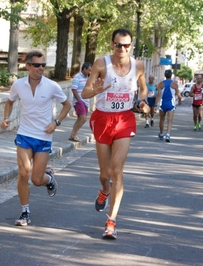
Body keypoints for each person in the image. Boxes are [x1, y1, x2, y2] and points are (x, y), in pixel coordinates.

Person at [81, 28, 150, 239]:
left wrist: (143, 101)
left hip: (124, 119)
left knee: (117, 170)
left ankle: (111, 221)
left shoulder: (138, 66)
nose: (122, 48)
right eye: (118, 44)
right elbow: (85, 92)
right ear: (112, 44)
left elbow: (143, 88)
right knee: (105, 174)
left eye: (126, 45)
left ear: (131, 46)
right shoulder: (102, 64)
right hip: (102, 118)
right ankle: (104, 190)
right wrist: (97, 91)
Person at [0, 50, 72, 225]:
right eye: (37, 65)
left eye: (43, 65)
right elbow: (9, 101)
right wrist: (6, 118)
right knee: (24, 172)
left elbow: (67, 105)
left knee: (36, 179)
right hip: (24, 134)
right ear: (28, 66)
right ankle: (25, 212)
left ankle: (49, 179)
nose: (41, 68)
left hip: (43, 136)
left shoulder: (51, 86)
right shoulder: (18, 84)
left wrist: (56, 122)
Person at [155, 69, 182, 142]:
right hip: (171, 104)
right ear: (171, 75)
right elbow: (178, 94)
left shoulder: (160, 84)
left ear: (165, 75)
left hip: (162, 103)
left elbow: (158, 95)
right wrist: (179, 100)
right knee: (170, 120)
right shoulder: (174, 84)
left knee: (162, 119)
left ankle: (161, 133)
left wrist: (155, 104)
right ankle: (168, 134)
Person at [69, 62, 92, 142]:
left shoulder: (88, 78)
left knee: (80, 119)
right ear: (84, 69)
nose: (90, 72)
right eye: (89, 70)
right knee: (83, 118)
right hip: (79, 100)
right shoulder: (77, 77)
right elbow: (74, 89)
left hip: (86, 101)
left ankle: (72, 135)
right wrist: (79, 100)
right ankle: (74, 134)